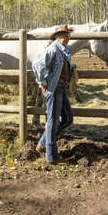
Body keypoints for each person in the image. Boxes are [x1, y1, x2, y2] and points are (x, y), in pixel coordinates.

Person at [32, 25, 78, 165]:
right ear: (58, 36)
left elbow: (62, 65)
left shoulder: (64, 50)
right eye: (64, 35)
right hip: (53, 87)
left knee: (68, 118)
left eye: (68, 34)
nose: (67, 37)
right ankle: (52, 157)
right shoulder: (52, 49)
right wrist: (42, 82)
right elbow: (37, 65)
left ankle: (43, 143)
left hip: (61, 87)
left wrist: (73, 67)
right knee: (53, 121)